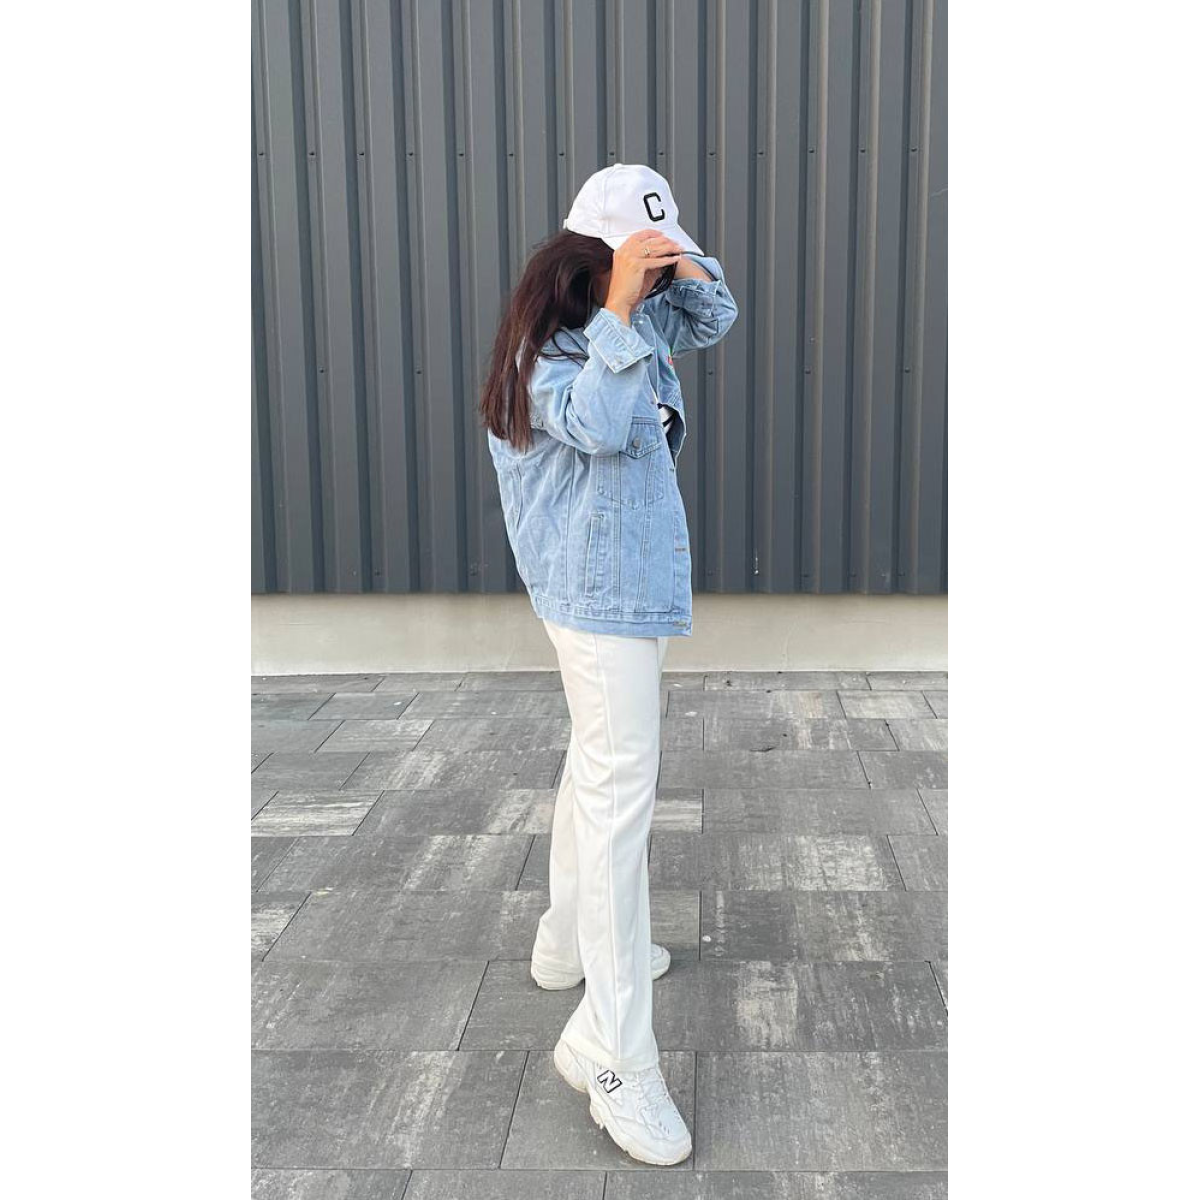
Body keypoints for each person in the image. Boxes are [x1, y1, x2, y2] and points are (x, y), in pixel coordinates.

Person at [479, 163, 738, 1166]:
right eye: (639, 257)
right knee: (622, 801)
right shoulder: (550, 351)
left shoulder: (633, 312)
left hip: (621, 590)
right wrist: (626, 304)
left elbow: (715, 316)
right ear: (590, 257)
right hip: (597, 602)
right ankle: (613, 1053)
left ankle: (562, 942)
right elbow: (592, 422)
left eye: (662, 258)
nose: (661, 277)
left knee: (596, 766)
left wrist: (675, 263)